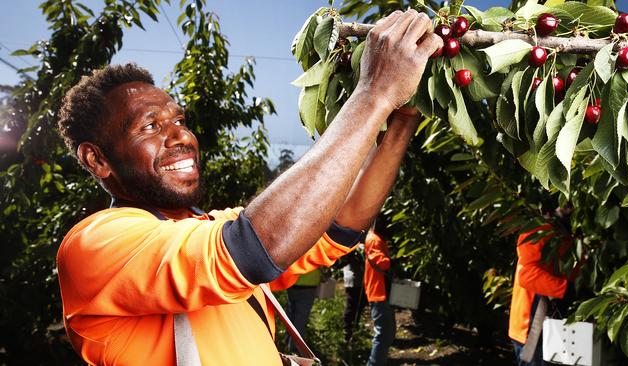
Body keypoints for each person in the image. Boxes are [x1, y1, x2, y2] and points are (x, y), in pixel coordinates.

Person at [55, 10, 442, 365]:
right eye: (151, 126)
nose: (181, 137)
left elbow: (340, 223)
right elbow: (253, 248)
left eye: (179, 120)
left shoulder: (207, 226)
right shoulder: (95, 245)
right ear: (97, 160)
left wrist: (403, 116)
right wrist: (374, 93)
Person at [508, 216, 578, 366]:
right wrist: (565, 288)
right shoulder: (538, 229)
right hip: (532, 328)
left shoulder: (566, 230)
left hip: (549, 324)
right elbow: (526, 275)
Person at [364, 215, 395, 366]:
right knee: (383, 333)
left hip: (378, 290)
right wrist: (395, 260)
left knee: (386, 332)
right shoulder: (374, 239)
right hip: (378, 291)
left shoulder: (374, 238)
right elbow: (382, 263)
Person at [285, 269, 321, 352]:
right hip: (309, 283)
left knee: (291, 313)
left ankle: (288, 341)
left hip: (292, 281)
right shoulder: (313, 254)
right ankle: (294, 348)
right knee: (301, 318)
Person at [342, 246, 367, 344]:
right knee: (351, 307)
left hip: (360, 280)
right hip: (353, 280)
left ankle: (354, 331)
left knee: (359, 306)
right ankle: (347, 333)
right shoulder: (352, 245)